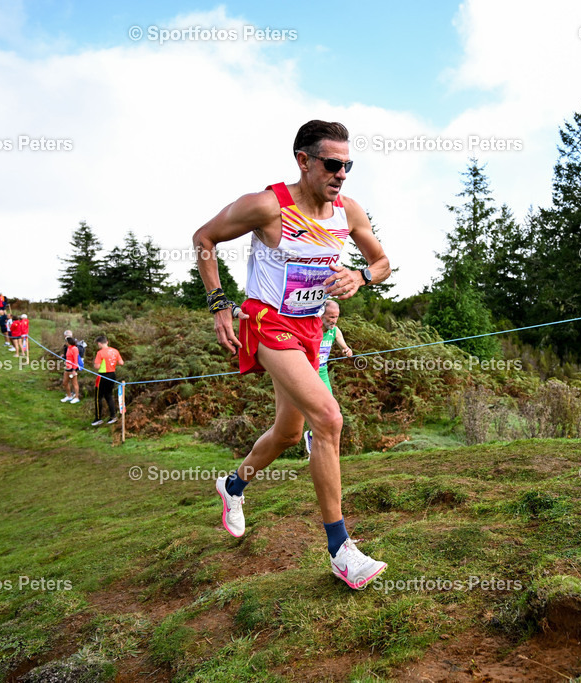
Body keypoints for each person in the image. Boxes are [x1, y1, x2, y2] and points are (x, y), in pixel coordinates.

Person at [193, 120, 391, 590]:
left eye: (348, 165)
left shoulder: (349, 212)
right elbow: (204, 239)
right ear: (304, 161)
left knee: (288, 431)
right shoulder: (267, 206)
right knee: (328, 417)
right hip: (265, 322)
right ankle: (341, 550)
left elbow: (382, 262)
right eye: (332, 164)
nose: (341, 174)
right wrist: (220, 304)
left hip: (308, 326)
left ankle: (233, 485)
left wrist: (362, 277)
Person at [304, 300, 353, 455]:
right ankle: (313, 437)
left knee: (331, 408)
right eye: (331, 317)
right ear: (322, 315)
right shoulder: (311, 328)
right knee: (310, 409)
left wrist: (347, 351)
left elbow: (345, 347)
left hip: (323, 372)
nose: (333, 320)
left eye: (336, 317)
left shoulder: (335, 331)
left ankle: (313, 436)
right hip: (307, 373)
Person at [91, 334, 125, 426]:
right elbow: (121, 363)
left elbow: (97, 366)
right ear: (107, 342)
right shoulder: (115, 351)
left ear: (99, 343)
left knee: (98, 397)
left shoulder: (100, 353)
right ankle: (113, 416)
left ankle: (98, 418)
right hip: (112, 375)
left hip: (103, 376)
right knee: (109, 395)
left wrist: (95, 365)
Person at [60, 330, 81, 404]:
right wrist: (64, 356)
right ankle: (69, 396)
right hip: (67, 368)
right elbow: (68, 357)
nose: (65, 343)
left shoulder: (75, 349)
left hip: (73, 369)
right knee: (65, 382)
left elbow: (75, 360)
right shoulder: (68, 348)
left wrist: (74, 370)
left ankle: (76, 397)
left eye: (66, 342)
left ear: (68, 342)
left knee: (74, 383)